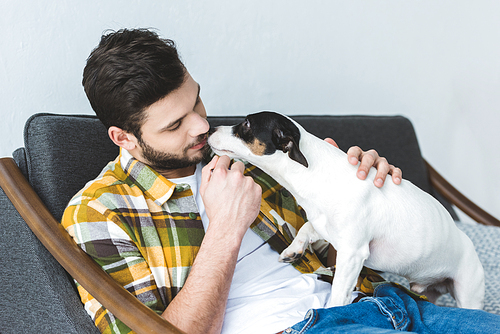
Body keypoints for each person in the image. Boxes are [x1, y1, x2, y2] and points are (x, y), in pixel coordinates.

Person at [62, 28, 499, 334]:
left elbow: (344, 246)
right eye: (176, 124)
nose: (201, 126)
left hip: (389, 304)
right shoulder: (99, 214)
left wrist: (369, 193)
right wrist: (226, 230)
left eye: (197, 100)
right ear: (125, 139)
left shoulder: (254, 156)